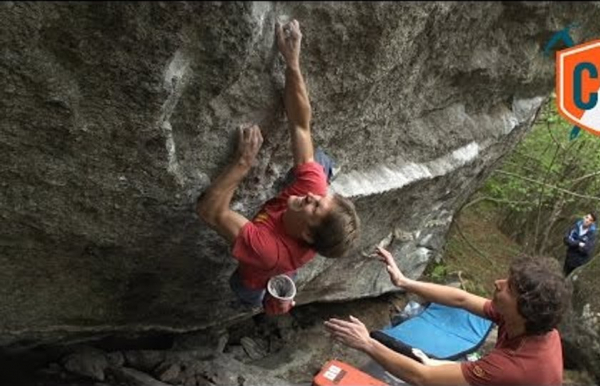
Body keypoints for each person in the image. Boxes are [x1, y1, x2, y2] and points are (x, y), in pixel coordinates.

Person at [196, 19, 361, 314]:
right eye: (321, 198)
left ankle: (258, 305)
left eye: (316, 207)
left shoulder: (265, 249)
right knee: (317, 162)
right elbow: (300, 126)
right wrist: (292, 62)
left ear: (309, 235)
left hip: (265, 266)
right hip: (290, 248)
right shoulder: (314, 192)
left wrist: (243, 162)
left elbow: (210, 212)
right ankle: (283, 294)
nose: (313, 196)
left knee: (248, 287)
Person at [324, 247, 571, 386]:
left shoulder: (510, 367)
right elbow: (461, 299)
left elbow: (422, 377)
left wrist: (367, 342)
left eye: (509, 287)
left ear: (524, 309)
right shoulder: (530, 322)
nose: (498, 283)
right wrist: (403, 281)